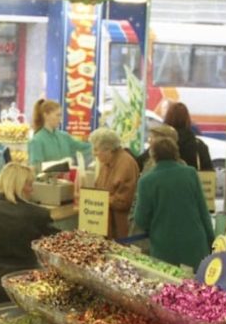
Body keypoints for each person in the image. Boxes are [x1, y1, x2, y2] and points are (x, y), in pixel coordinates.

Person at [0, 163, 56, 308]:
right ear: (19, 185)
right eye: (29, 184)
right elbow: (52, 247)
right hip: (30, 282)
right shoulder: (39, 214)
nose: (32, 190)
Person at [133, 137, 214, 269]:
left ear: (153, 156)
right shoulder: (190, 173)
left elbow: (141, 219)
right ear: (176, 153)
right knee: (196, 287)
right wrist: (211, 240)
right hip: (195, 245)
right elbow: (203, 210)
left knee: (169, 286)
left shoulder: (146, 181)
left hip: (164, 247)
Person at [88, 128, 139, 240]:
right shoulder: (106, 163)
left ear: (109, 150)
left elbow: (124, 201)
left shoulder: (126, 164)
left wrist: (100, 200)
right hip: (105, 227)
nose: (94, 153)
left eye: (96, 149)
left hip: (119, 229)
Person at [27, 99, 90, 167]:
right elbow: (36, 167)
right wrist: (61, 165)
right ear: (46, 115)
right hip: (47, 178)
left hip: (66, 178)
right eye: (58, 115)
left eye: (60, 115)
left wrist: (98, 142)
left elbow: (83, 148)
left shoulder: (65, 137)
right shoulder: (36, 141)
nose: (60, 119)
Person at [163, 102, 213, 172]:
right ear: (187, 119)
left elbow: (143, 161)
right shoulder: (199, 146)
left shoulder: (161, 145)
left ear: (167, 119)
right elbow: (209, 173)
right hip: (191, 182)